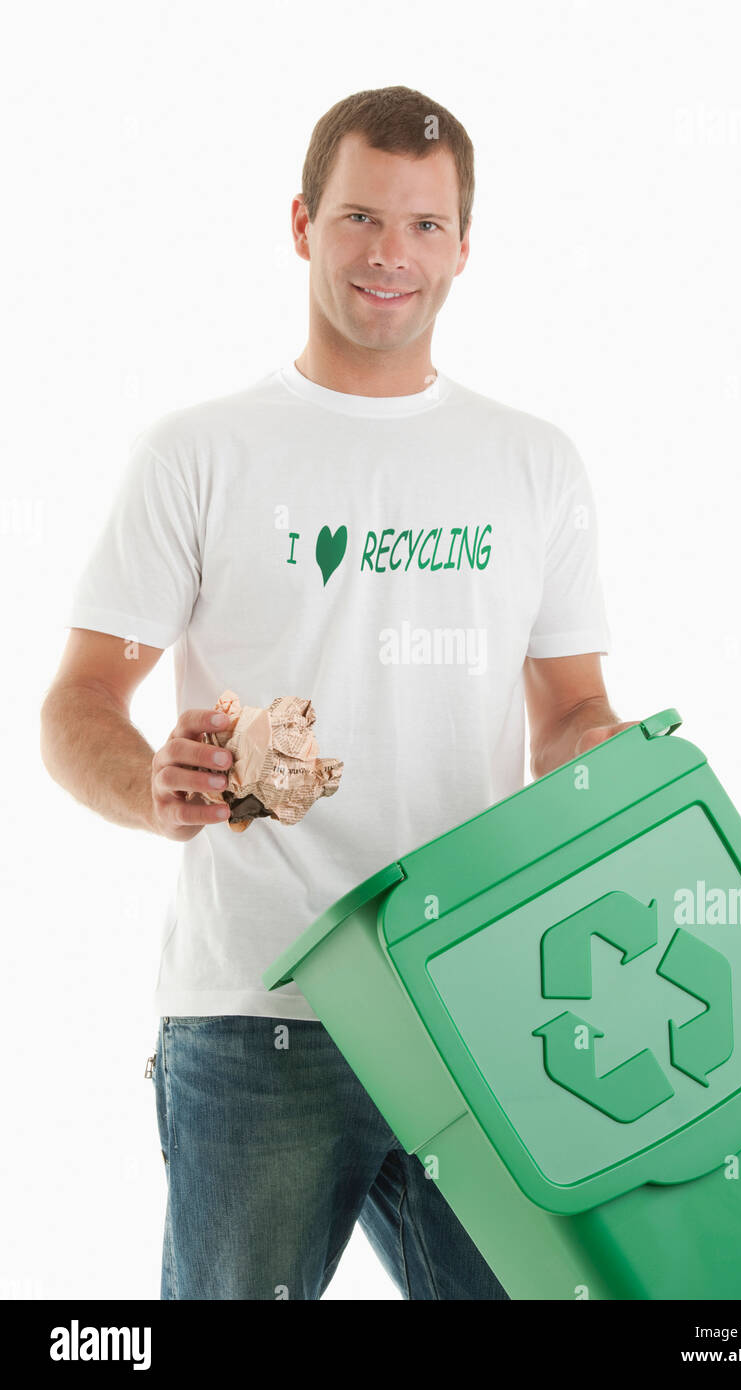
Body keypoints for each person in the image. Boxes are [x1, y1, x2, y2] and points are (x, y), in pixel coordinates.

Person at [40, 84, 635, 1301]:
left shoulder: (531, 462)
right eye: (361, 216)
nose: (388, 255)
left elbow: (569, 709)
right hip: (260, 1006)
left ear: (464, 247)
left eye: (424, 226)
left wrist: (607, 755)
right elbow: (78, 702)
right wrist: (154, 787)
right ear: (302, 222)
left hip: (474, 1002)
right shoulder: (200, 451)